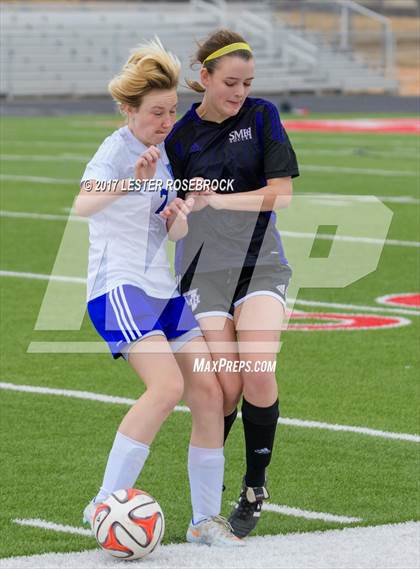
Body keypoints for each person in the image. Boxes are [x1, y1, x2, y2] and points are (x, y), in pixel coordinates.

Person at [75, 38, 243, 547]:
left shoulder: (164, 156)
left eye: (171, 111)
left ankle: (204, 521)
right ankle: (104, 504)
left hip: (161, 290)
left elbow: (168, 233)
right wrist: (131, 179)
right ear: (129, 109)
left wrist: (177, 216)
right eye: (155, 112)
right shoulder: (116, 150)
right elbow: (83, 204)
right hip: (119, 287)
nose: (166, 121)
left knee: (209, 393)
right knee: (166, 389)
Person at [163, 29, 299, 538]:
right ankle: (206, 504)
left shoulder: (262, 115)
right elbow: (169, 220)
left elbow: (280, 194)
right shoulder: (180, 138)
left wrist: (218, 199)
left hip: (261, 264)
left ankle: (253, 488)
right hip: (201, 272)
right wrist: (180, 207)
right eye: (230, 83)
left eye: (247, 82)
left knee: (258, 370)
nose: (239, 92)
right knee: (224, 389)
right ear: (204, 78)